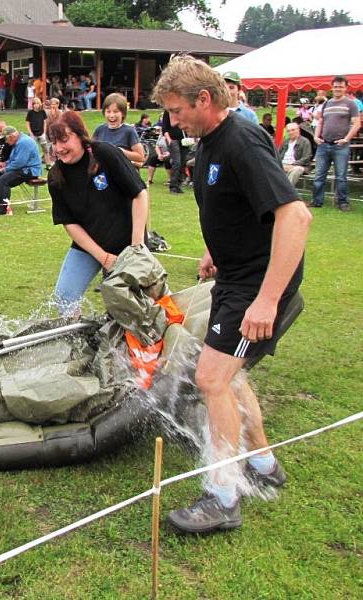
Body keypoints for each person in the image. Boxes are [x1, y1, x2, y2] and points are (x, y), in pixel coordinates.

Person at [152, 55, 312, 534]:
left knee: (212, 378)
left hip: (256, 285)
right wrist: (213, 249)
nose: (172, 120)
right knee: (230, 373)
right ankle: (264, 464)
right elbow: (239, 209)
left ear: (204, 99)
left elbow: (295, 217)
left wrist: (266, 300)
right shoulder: (213, 140)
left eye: (177, 110)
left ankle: (223, 497)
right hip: (234, 276)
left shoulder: (240, 139)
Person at [47, 111, 148, 316]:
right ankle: (80, 343)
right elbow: (70, 224)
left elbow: (140, 194)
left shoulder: (105, 153)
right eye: (54, 142)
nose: (59, 148)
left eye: (64, 140)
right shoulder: (56, 176)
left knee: (133, 305)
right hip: (90, 246)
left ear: (79, 135)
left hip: (128, 242)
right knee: (65, 297)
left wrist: (137, 245)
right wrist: (103, 257)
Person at [311, 75, 360, 211]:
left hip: (341, 146)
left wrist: (346, 139)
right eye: (336, 86)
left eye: (341, 86)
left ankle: (342, 202)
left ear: (346, 88)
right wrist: (316, 136)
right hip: (324, 144)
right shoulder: (326, 103)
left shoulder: (351, 104)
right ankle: (317, 201)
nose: (338, 89)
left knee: (341, 177)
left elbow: (356, 124)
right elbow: (321, 121)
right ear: (332, 88)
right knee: (319, 175)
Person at [0, 126, 42, 216]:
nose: (6, 142)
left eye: (6, 139)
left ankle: (3, 209)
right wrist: (5, 163)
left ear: (11, 137)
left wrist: (5, 169)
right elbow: (14, 159)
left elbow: (19, 163)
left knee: (4, 179)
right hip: (23, 168)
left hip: (30, 171)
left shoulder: (23, 142)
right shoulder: (18, 141)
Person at [92, 93, 146, 166]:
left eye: (115, 111)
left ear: (123, 113)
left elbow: (140, 157)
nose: (111, 115)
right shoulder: (99, 130)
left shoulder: (129, 131)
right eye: (108, 111)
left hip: (123, 174)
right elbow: (91, 151)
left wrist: (120, 152)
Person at [161, 109, 185, 194]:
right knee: (177, 162)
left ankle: (178, 184)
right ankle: (173, 186)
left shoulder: (183, 108)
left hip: (184, 140)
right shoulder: (168, 110)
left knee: (182, 162)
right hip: (173, 139)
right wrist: (169, 139)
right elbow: (164, 127)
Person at [26, 97, 51, 164]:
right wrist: (30, 132)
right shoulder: (30, 113)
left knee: (45, 149)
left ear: (40, 104)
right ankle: (33, 163)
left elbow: (45, 122)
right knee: (32, 149)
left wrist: (44, 132)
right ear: (33, 104)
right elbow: (28, 123)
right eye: (35, 103)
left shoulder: (42, 112)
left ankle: (48, 163)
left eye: (38, 103)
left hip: (41, 133)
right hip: (33, 133)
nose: (36, 105)